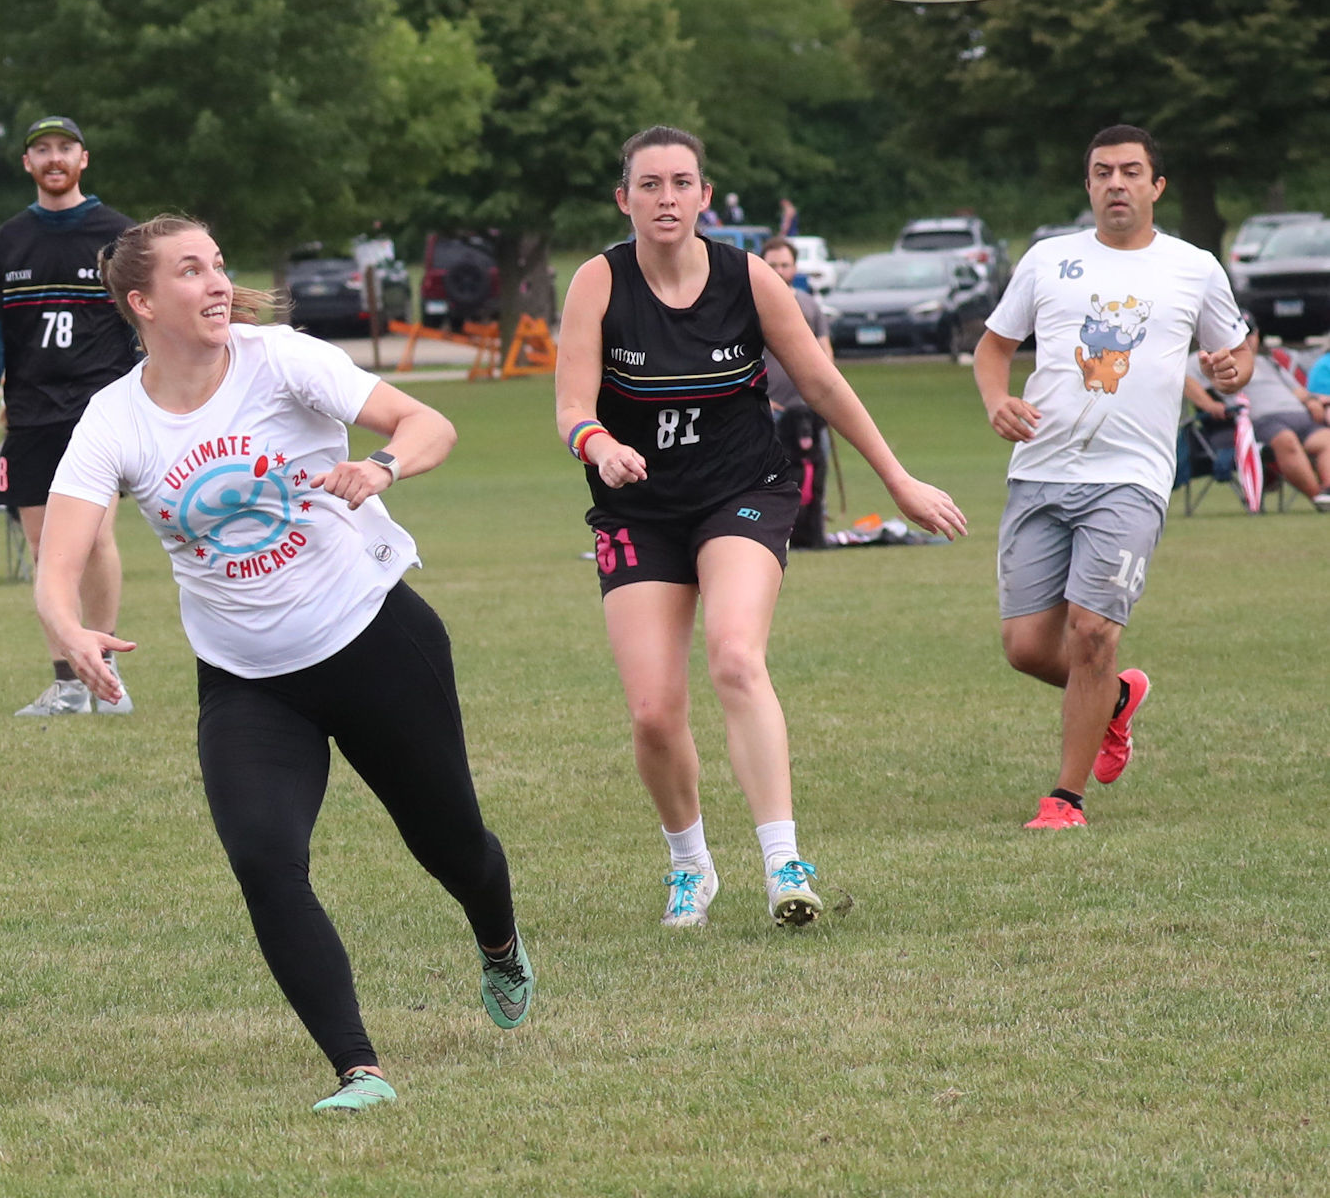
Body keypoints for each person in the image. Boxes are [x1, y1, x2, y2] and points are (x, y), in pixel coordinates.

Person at [38, 214, 531, 1113]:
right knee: (264, 860)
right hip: (246, 681)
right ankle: (358, 1070)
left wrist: (379, 468)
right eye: (192, 270)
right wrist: (67, 629)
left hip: (374, 638)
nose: (217, 282)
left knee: (451, 845)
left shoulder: (281, 359)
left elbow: (426, 422)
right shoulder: (114, 418)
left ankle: (498, 943)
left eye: (219, 265)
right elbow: (57, 560)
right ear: (142, 301)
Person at [555, 126, 965, 929]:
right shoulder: (597, 282)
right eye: (649, 185)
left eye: (681, 183)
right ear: (623, 199)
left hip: (742, 492)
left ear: (704, 196)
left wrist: (898, 479)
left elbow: (823, 385)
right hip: (638, 508)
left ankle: (783, 863)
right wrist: (599, 446)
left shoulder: (747, 277)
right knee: (652, 711)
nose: (666, 198)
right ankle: (690, 866)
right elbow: (571, 404)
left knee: (736, 657)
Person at [974, 125, 1250, 831]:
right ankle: (1117, 700)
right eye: (1103, 172)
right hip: (1040, 470)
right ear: (1089, 185)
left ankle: (1063, 800)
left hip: (1131, 477)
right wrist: (997, 399)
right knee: (1026, 648)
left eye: (1130, 171)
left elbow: (1236, 353)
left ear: (1156, 185)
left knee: (1092, 631)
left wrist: (1230, 369)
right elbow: (993, 347)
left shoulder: (1193, 267)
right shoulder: (1047, 260)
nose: (1116, 184)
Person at [0, 116, 137, 715]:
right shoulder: (9, 239)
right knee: (45, 552)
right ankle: (69, 684)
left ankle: (106, 672)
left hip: (99, 413)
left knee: (95, 539)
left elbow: (146, 322)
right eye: (42, 149)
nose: (53, 157)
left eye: (65, 147)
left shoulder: (119, 235)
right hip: (29, 416)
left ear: (83, 159)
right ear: (27, 163)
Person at [1184, 318, 1330, 508]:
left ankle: (1328, 490)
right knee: (1286, 440)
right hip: (1261, 421)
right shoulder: (1215, 360)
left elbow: (1298, 391)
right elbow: (1184, 378)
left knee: (1327, 440)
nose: (1245, 339)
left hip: (1299, 415)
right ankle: (1319, 498)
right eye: (1240, 334)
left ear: (1257, 335)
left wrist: (1311, 401)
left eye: (1249, 334)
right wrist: (1209, 404)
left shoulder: (1269, 362)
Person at [761, 235, 833, 550]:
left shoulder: (809, 305)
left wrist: (826, 398)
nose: (779, 270)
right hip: (769, 409)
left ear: (795, 267)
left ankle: (815, 529)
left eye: (785, 264)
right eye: (772, 265)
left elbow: (825, 353)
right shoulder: (750, 305)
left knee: (817, 471)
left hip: (808, 410)